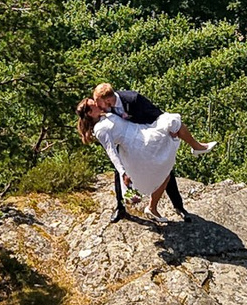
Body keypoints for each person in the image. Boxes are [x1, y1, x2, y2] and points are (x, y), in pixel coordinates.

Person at [77, 89, 209, 224]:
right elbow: (111, 151)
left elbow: (151, 111)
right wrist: (123, 172)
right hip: (134, 146)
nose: (97, 104)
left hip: (141, 133)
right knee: (162, 168)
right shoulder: (100, 129)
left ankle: (172, 205)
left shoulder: (109, 111)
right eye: (93, 103)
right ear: (89, 113)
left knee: (170, 135)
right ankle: (124, 207)